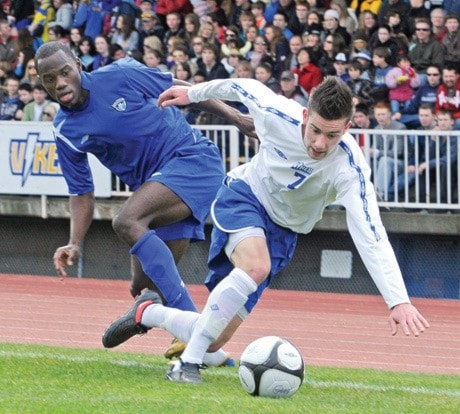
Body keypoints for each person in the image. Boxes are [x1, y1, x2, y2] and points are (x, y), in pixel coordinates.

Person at [103, 76, 429, 383]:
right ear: (305, 114)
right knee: (256, 267)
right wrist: (194, 94)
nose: (319, 143)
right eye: (314, 129)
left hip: (284, 233)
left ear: (347, 127)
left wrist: (397, 300)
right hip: (245, 196)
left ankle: (148, 312)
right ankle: (187, 365)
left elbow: (371, 235)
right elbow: (243, 86)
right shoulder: (278, 113)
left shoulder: (351, 170)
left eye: (332, 135)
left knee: (213, 337)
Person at [35, 41, 254, 366]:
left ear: (78, 65)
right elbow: (81, 191)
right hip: (159, 186)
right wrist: (74, 242)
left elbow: (183, 90)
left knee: (126, 221)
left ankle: (194, 330)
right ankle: (199, 346)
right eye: (49, 79)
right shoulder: (65, 130)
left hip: (192, 159)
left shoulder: (121, 74)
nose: (60, 83)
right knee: (144, 287)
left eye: (65, 72)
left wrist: (236, 117)